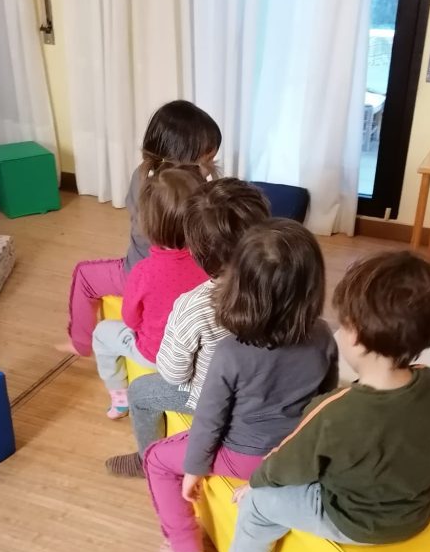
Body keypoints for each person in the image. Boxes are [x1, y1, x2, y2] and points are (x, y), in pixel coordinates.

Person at [199, 249, 430, 552]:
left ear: (357, 337)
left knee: (257, 505)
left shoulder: (335, 409)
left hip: (351, 519)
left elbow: (287, 464)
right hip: (416, 513)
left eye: (344, 324)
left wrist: (256, 484)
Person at [143, 219, 338, 552]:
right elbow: (326, 401)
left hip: (242, 457)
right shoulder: (323, 335)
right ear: (312, 287)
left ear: (239, 287)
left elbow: (209, 418)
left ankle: (185, 546)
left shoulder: (231, 352)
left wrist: (194, 469)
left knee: (157, 458)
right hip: (296, 453)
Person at [105, 178, 271, 477]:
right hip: (268, 388)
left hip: (216, 398)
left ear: (196, 248)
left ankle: (146, 459)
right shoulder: (281, 283)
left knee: (140, 393)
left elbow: (174, 372)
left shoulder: (193, 305)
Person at [59, 100, 221, 356]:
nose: (209, 167)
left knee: (84, 275)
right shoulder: (201, 187)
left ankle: (80, 342)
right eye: (207, 161)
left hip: (142, 273)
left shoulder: (142, 177)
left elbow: (138, 226)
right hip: (195, 276)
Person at [91, 164, 208, 418]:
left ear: (147, 225)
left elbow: (131, 320)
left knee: (101, 333)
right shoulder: (210, 264)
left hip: (154, 354)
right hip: (199, 355)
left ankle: (119, 396)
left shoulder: (143, 271)